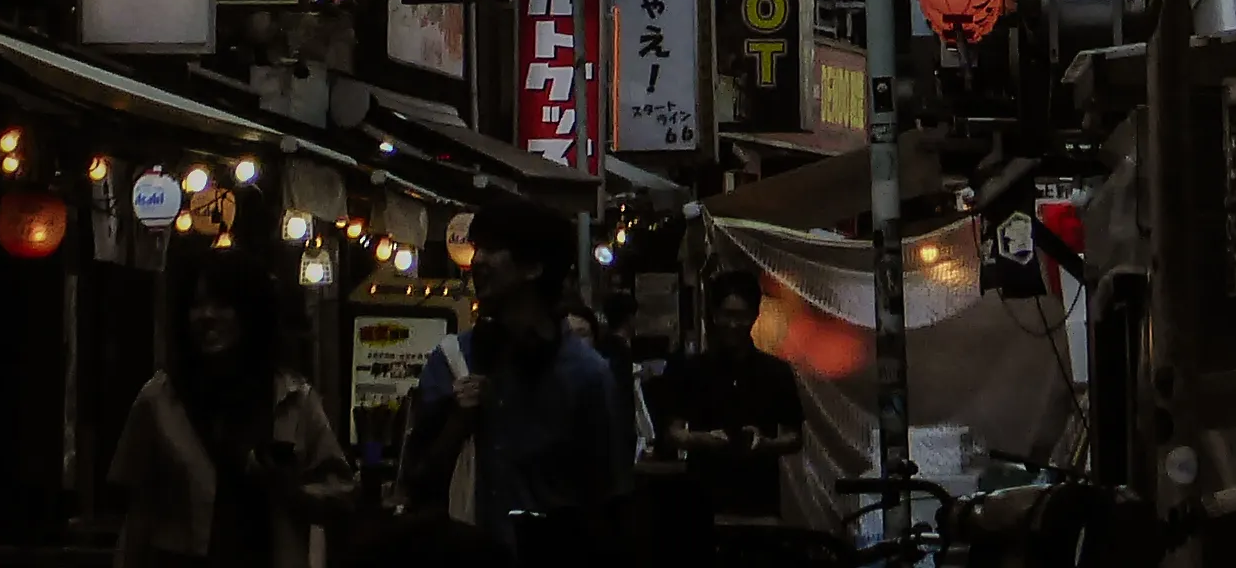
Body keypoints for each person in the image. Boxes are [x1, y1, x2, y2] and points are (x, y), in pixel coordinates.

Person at [399, 192, 628, 568]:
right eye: (478, 248)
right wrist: (460, 420)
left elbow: (607, 499)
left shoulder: (585, 375)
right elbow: (415, 479)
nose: (478, 262)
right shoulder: (452, 360)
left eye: (494, 249)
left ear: (534, 267)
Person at [111, 254, 358, 568]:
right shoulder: (159, 399)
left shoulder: (293, 398)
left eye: (222, 305)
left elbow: (343, 493)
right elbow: (138, 509)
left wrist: (290, 489)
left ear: (250, 313)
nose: (207, 316)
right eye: (197, 305)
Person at [650, 266, 805, 555]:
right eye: (726, 315)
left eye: (741, 316)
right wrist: (705, 439)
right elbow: (672, 433)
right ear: (714, 315)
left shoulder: (775, 372)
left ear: (754, 316)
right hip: (702, 504)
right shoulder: (689, 370)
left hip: (760, 502)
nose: (733, 325)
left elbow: (795, 437)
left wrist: (765, 443)